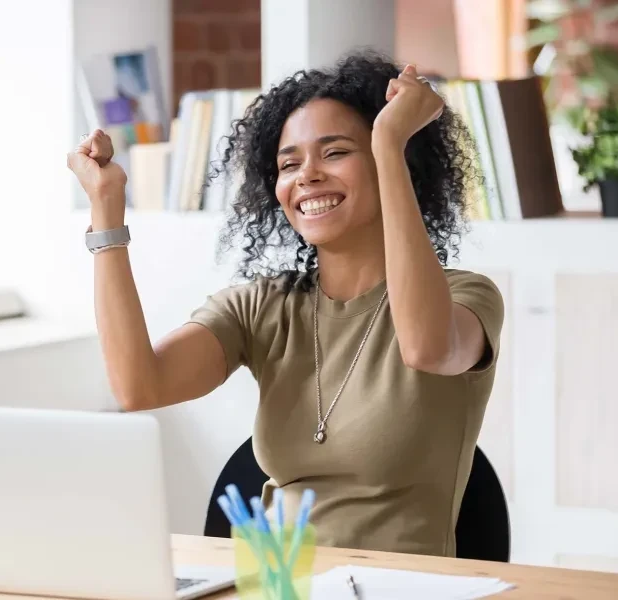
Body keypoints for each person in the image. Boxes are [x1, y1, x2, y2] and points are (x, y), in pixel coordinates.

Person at [66, 51, 504, 558]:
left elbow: (426, 348)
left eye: (336, 152)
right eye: (288, 163)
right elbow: (138, 386)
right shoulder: (263, 306)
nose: (307, 176)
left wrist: (388, 141)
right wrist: (106, 210)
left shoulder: (466, 296)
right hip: (277, 583)